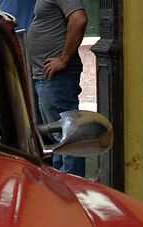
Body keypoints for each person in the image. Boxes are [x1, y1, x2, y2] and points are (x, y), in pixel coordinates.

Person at [25, 0, 88, 175]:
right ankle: (61, 185)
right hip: (44, 75)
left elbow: (79, 19)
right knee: (57, 138)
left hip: (57, 77)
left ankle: (71, 187)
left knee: (66, 136)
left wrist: (64, 59)